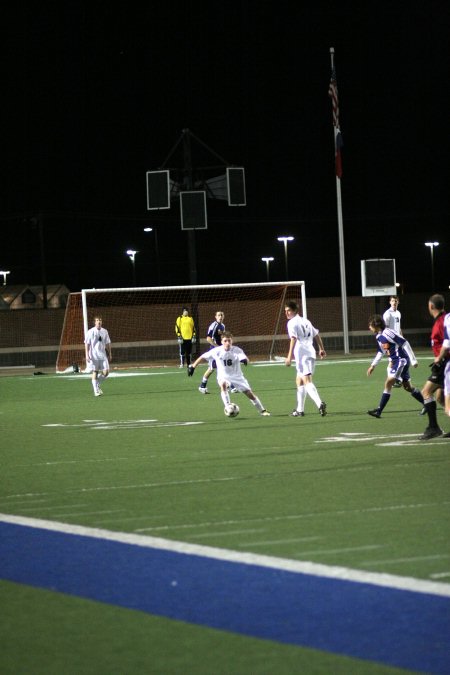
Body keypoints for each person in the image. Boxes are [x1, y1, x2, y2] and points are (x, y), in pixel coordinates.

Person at [188, 331, 270, 416]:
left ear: (232, 341)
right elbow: (203, 356)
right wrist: (193, 367)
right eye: (225, 341)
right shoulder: (216, 351)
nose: (227, 343)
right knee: (223, 385)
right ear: (221, 342)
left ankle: (262, 411)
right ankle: (228, 406)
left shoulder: (237, 350)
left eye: (229, 341)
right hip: (223, 376)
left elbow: (245, 358)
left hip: (237, 376)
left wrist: (244, 360)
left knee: (250, 394)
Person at [366, 314, 424, 418]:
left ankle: (379, 410)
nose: (369, 328)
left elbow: (405, 343)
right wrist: (373, 366)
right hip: (396, 362)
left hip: (401, 360)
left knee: (388, 383)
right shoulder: (379, 336)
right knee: (408, 387)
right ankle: (427, 404)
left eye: (370, 325)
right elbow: (381, 351)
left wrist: (413, 360)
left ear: (376, 325)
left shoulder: (388, 332)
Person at [284, 300, 327, 417]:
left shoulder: (292, 323)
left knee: (307, 380)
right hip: (310, 352)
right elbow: (316, 334)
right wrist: (321, 349)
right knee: (299, 380)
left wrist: (289, 356)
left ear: (294, 311)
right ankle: (300, 410)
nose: (286, 313)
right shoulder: (306, 320)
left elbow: (293, 339)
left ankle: (319, 404)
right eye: (285, 311)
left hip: (302, 354)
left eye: (288, 311)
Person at [419, 294, 448, 440]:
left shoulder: (441, 323)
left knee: (426, 392)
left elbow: (447, 342)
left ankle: (433, 427)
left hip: (443, 364)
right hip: (443, 363)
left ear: (431, 306)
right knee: (441, 397)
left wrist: (440, 357)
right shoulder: (444, 319)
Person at [198, 310, 226, 394]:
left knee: (223, 366)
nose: (220, 317)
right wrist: (217, 347)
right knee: (211, 369)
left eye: (221, 315)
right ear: (215, 317)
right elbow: (208, 338)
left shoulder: (223, 326)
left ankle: (229, 386)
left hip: (221, 350)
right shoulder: (213, 325)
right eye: (218, 315)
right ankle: (202, 386)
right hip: (214, 350)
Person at [84, 316, 111, 397]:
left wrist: (110, 353)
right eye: (97, 320)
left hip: (103, 355)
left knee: (106, 372)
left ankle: (97, 384)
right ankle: (96, 391)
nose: (99, 322)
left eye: (100, 320)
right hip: (93, 355)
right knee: (95, 372)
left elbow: (108, 343)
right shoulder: (90, 331)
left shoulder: (105, 331)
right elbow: (87, 344)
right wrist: (87, 355)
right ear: (94, 322)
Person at [383, 296, 402, 387]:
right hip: (391, 341)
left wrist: (402, 338)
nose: (394, 302)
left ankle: (395, 379)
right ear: (390, 302)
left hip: (398, 341)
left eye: (396, 301)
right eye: (393, 301)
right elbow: (384, 329)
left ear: (398, 302)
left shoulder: (398, 313)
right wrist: (386, 344)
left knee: (397, 360)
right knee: (392, 361)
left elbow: (399, 327)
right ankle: (391, 380)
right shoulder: (387, 314)